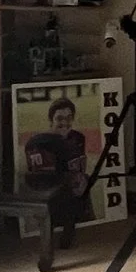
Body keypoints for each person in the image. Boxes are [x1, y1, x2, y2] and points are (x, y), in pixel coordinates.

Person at [22, 95, 95, 241]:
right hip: (57, 197)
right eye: (60, 118)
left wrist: (81, 180)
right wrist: (71, 181)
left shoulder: (77, 138)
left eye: (69, 117)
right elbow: (43, 182)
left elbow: (79, 167)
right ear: (51, 120)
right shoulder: (40, 143)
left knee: (86, 182)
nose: (65, 122)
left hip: (76, 193)